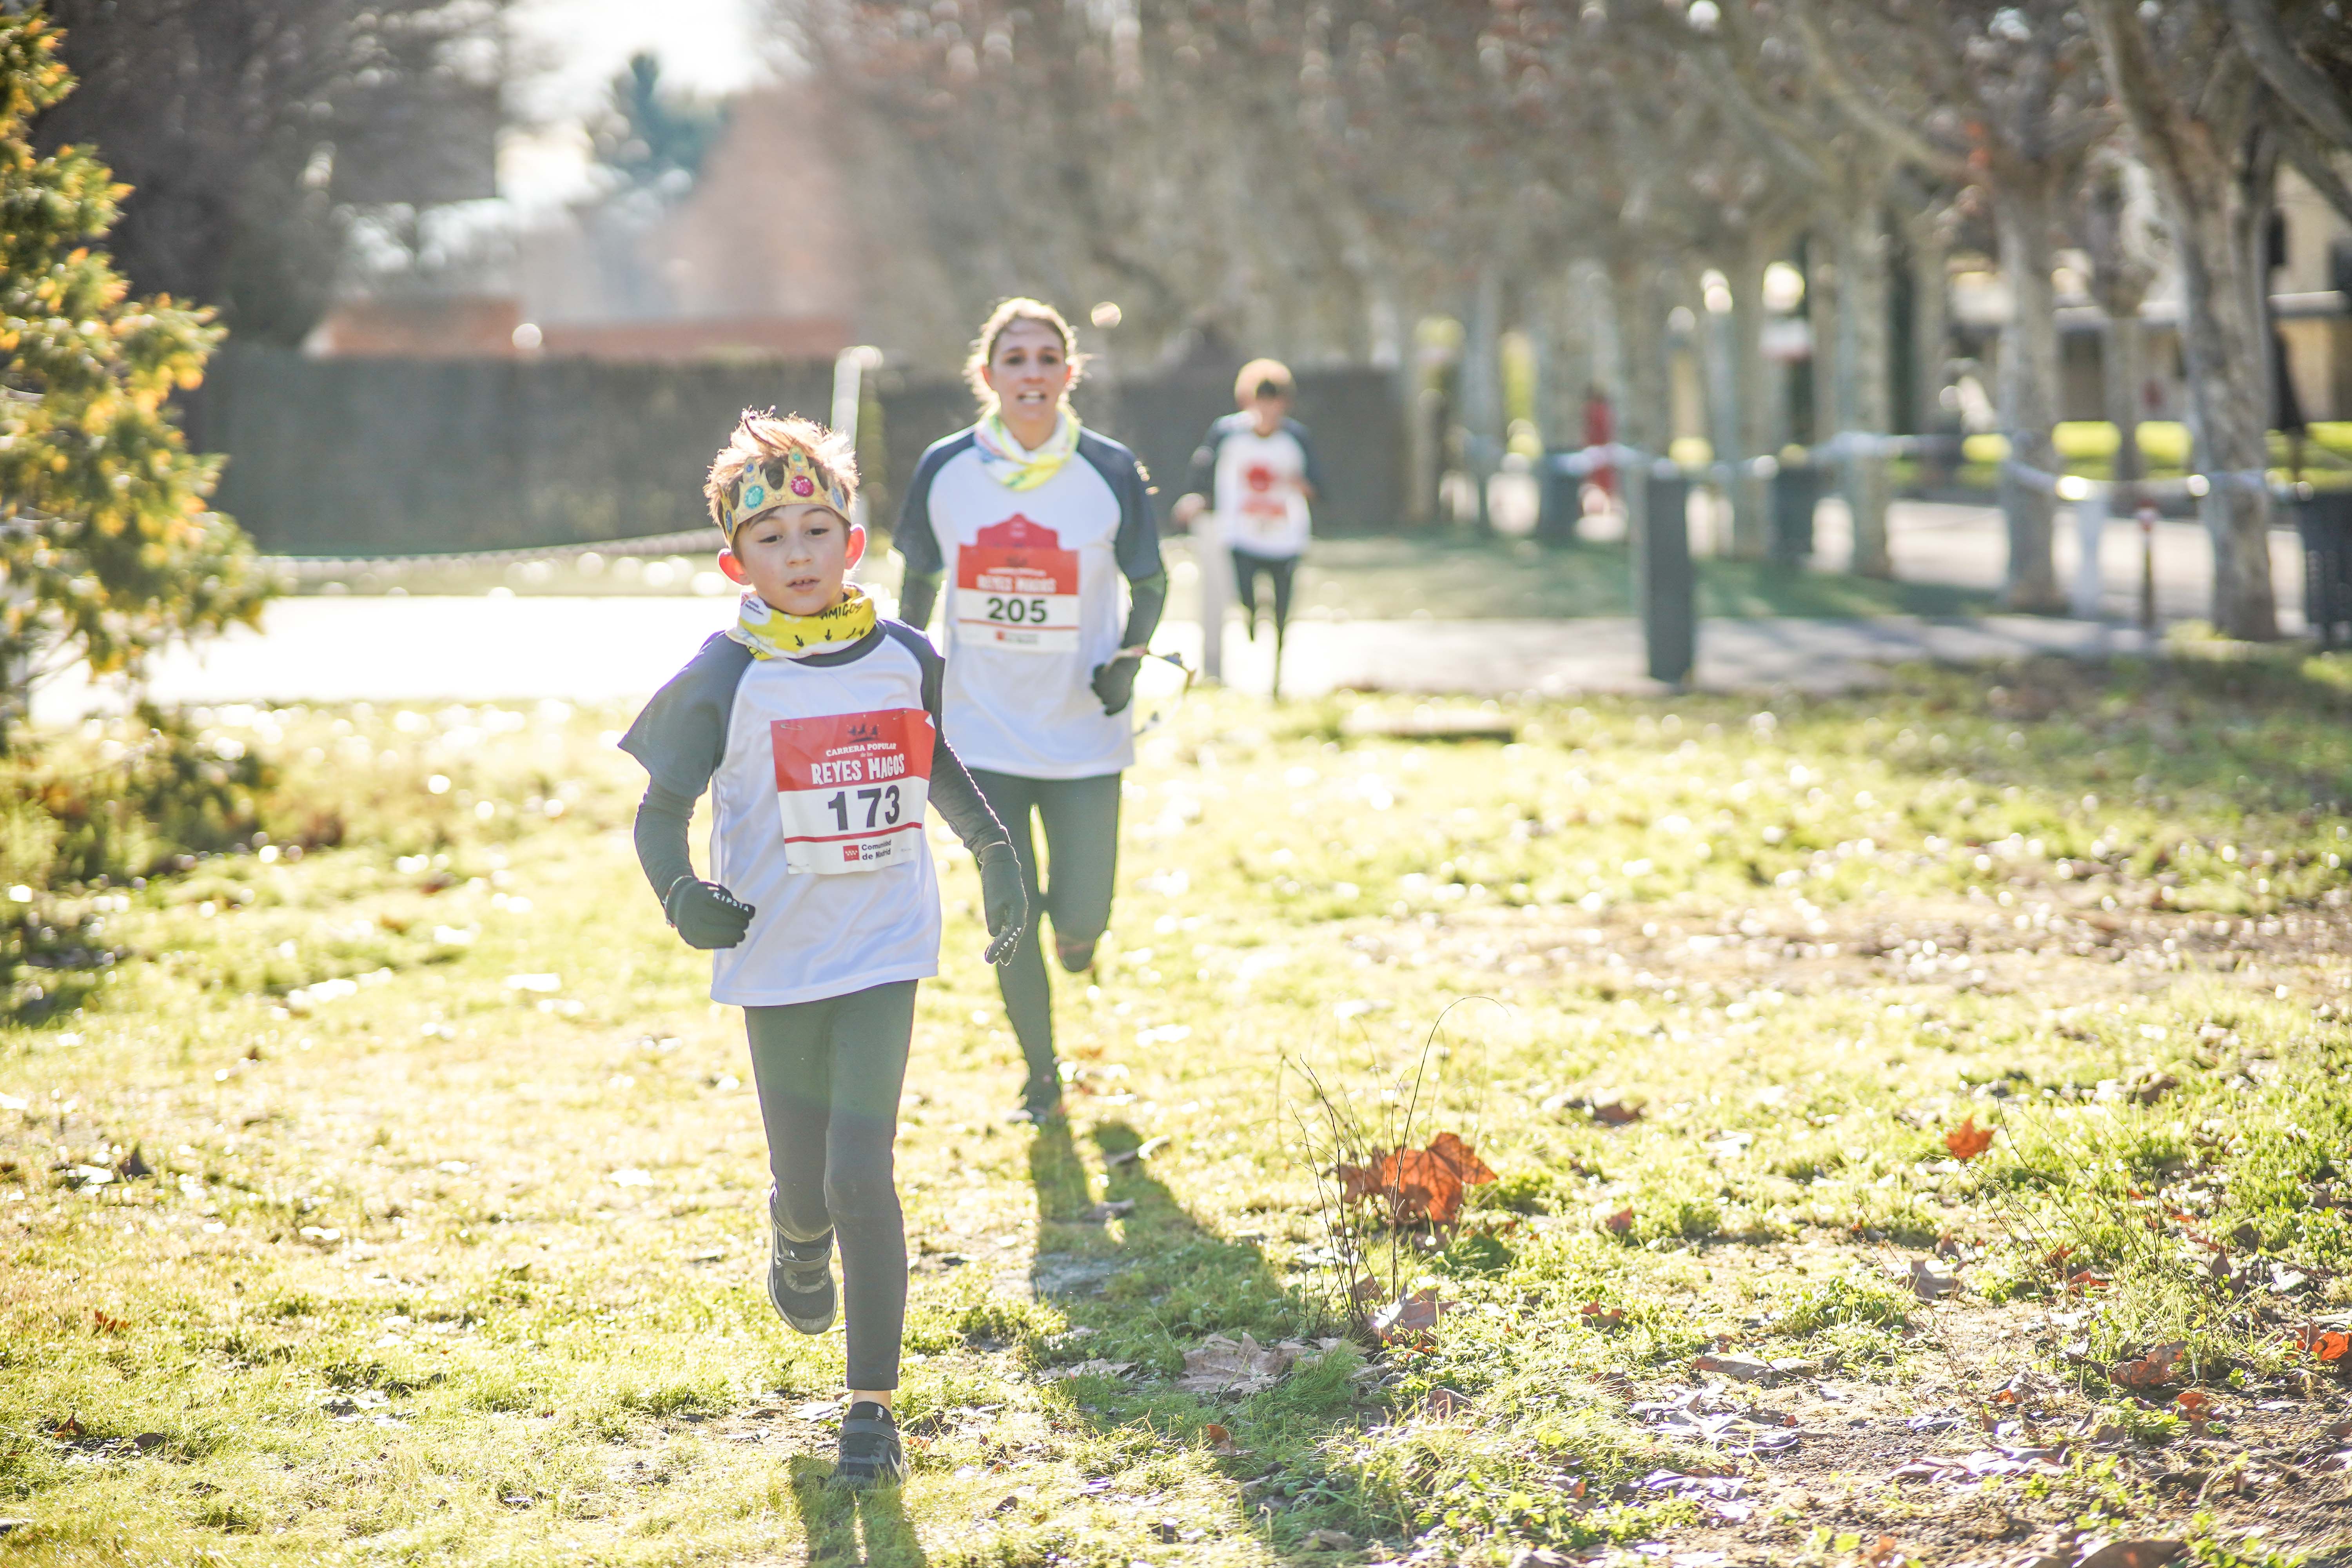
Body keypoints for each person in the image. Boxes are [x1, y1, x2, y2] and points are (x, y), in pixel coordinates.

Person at [621, 410, 1029, 1490]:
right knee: (807, 1184)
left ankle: (871, 1410)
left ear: (852, 540)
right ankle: (791, 1231)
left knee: (864, 1174)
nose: (799, 553)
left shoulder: (904, 655)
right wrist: (680, 893)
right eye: (773, 539)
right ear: (734, 562)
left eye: (818, 528)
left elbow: (933, 763)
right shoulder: (723, 674)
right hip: (776, 958)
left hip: (885, 945)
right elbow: (657, 815)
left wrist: (994, 851)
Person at [893, 298, 1167, 1122]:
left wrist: (1128, 660)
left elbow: (1150, 581)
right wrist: (913, 677)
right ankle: (1040, 1072)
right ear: (988, 376)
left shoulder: (1110, 469)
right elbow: (917, 584)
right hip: (980, 730)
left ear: (1068, 374)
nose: (1032, 373)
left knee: (1081, 914)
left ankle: (1078, 943)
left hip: (1085, 730)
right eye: (1015, 359)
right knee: (1011, 905)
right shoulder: (946, 468)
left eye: (1048, 358)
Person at [1173, 358, 1324, 698]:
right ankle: (1221, 666)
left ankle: (1275, 677)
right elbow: (1204, 473)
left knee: (1281, 607)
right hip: (1237, 532)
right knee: (1235, 598)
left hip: (1282, 535)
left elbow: (1318, 486)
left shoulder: (1295, 438)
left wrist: (1302, 488)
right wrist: (1197, 498)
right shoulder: (1228, 433)